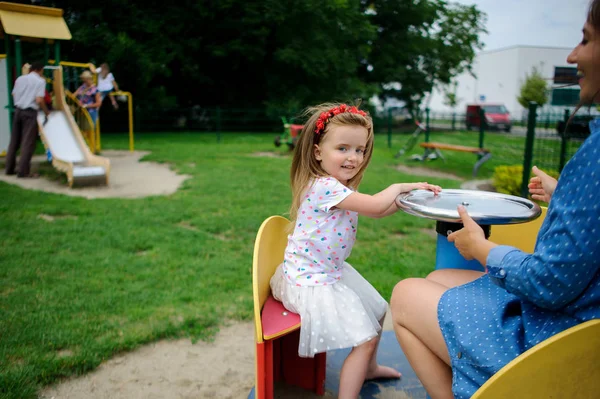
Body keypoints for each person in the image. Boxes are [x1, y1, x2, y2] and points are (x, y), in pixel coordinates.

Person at [389, 2, 600, 398]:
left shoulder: (599, 154)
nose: (572, 55)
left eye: (585, 39)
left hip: (555, 344)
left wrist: (482, 248)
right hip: (580, 324)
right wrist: (566, 196)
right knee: (438, 279)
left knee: (403, 295)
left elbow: (549, 282)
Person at [269, 103, 442, 398]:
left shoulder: (338, 186)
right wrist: (401, 185)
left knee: (376, 311)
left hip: (329, 272)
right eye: (343, 148)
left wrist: (404, 201)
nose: (353, 158)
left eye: (359, 150)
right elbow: (375, 204)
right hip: (310, 281)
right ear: (317, 151)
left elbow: (376, 211)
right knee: (363, 340)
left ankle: (369, 369)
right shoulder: (324, 187)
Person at [5, 61, 50, 178]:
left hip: (18, 110)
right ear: (40, 70)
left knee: (14, 141)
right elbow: (39, 100)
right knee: (27, 142)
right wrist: (46, 112)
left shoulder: (20, 79)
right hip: (30, 112)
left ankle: (9, 168)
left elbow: (14, 94)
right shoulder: (40, 81)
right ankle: (23, 171)